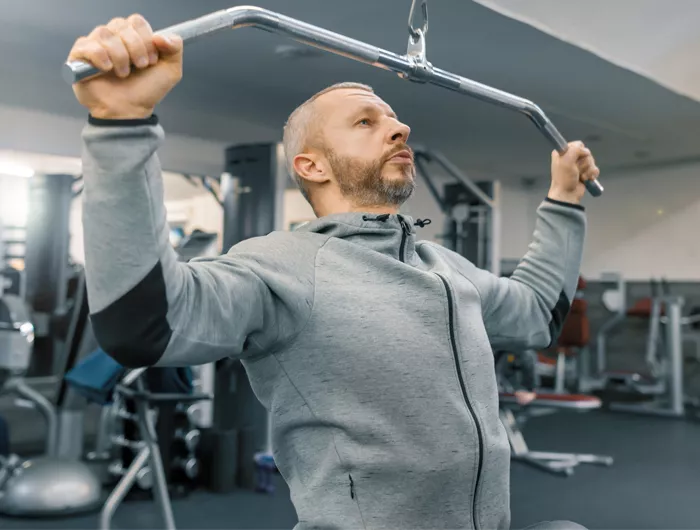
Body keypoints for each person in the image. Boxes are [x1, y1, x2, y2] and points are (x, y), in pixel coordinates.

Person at [67, 14, 597, 530]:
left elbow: (536, 317)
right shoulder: (281, 268)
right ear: (312, 166)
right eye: (367, 121)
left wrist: (565, 202)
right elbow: (145, 324)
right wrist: (122, 126)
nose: (399, 127)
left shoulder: (444, 268)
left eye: (394, 119)